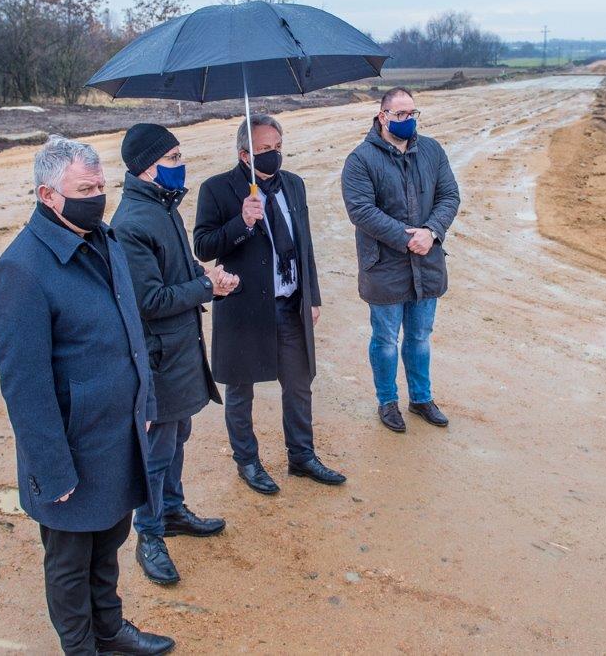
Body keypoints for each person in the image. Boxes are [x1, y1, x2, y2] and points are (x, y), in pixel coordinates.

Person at [0, 134, 174, 656]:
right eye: (84, 190)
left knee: (109, 541)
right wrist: (51, 468)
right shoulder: (21, 271)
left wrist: (145, 404)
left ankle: (109, 631)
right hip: (71, 445)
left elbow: (132, 331)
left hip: (117, 433)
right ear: (47, 195)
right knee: (70, 562)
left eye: (100, 186)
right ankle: (82, 647)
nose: (97, 197)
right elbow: (24, 387)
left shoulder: (104, 240)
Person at [194, 113, 346, 494]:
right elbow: (203, 246)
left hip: (290, 304)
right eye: (264, 149)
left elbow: (305, 245)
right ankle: (247, 460)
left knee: (299, 384)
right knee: (240, 390)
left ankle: (302, 456)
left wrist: (312, 296)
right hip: (244, 308)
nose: (273, 154)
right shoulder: (217, 189)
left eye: (277, 147)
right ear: (244, 154)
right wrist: (242, 223)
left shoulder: (293, 185)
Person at [111, 123, 235, 587]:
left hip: (181, 349)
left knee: (179, 434)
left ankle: (174, 510)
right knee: (157, 450)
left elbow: (175, 273)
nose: (182, 165)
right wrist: (206, 287)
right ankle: (149, 534)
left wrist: (208, 277)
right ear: (148, 166)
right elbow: (149, 301)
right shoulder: (132, 223)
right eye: (174, 158)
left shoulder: (163, 207)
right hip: (158, 357)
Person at [341, 88, 461, 433]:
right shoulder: (360, 160)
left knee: (420, 337)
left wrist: (432, 231)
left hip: (427, 262)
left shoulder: (432, 151)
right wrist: (408, 238)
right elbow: (361, 211)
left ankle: (421, 399)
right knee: (385, 339)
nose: (408, 120)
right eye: (401, 114)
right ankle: (387, 401)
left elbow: (449, 195)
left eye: (413, 113)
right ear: (383, 116)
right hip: (384, 266)